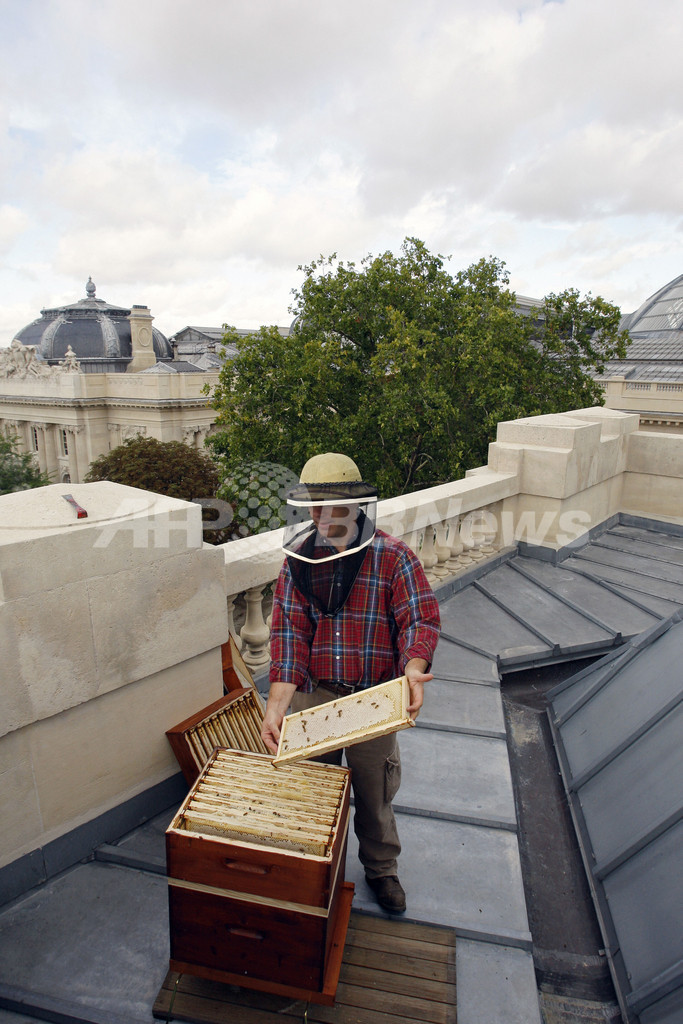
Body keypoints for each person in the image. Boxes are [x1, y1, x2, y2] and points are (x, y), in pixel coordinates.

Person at [261, 452, 441, 913]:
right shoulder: (298, 561)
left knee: (375, 794)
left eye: (330, 505)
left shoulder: (394, 556)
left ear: (356, 504)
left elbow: (419, 618)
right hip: (315, 697)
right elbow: (289, 635)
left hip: (373, 699)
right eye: (313, 506)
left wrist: (414, 668)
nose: (320, 516)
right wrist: (276, 706)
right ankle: (314, 869)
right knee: (313, 792)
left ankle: (381, 870)